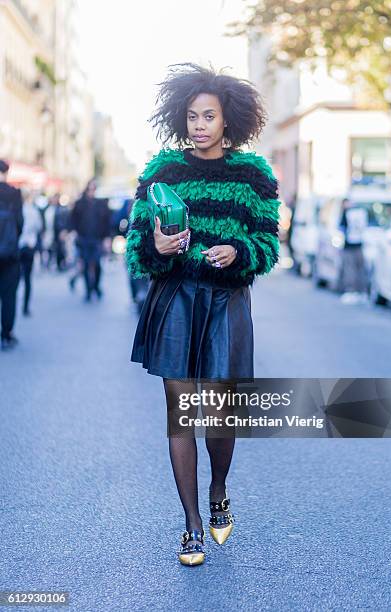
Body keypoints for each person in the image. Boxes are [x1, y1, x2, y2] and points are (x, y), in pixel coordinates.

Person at [126, 63, 280, 566]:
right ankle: (191, 524)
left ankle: (218, 487)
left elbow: (267, 245)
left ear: (227, 120)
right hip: (175, 299)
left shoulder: (254, 176)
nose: (198, 125)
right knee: (180, 413)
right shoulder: (162, 173)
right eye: (191, 116)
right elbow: (136, 246)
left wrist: (238, 251)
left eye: (208, 116)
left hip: (226, 303)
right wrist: (157, 244)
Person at [71, 180, 111, 301]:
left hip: (97, 239)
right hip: (84, 239)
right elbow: (73, 220)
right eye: (90, 189)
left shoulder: (101, 204)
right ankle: (88, 290)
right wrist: (73, 233)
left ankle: (96, 287)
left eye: (94, 189)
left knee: (97, 265)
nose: (92, 191)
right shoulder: (79, 204)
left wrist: (107, 238)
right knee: (86, 264)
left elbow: (107, 222)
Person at [0, 159, 24, 350]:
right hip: (9, 254)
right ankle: (6, 334)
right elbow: (19, 223)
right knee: (9, 295)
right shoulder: (14, 194)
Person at [339, 197, 369, 304]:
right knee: (359, 269)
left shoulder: (347, 214)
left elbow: (341, 228)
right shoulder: (360, 213)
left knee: (350, 269)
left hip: (350, 245)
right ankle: (361, 292)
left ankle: (352, 291)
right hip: (359, 244)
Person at [18, 190, 43, 316]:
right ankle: (25, 307)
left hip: (19, 246)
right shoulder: (34, 211)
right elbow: (38, 227)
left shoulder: (18, 210)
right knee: (27, 278)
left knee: (15, 278)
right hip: (29, 246)